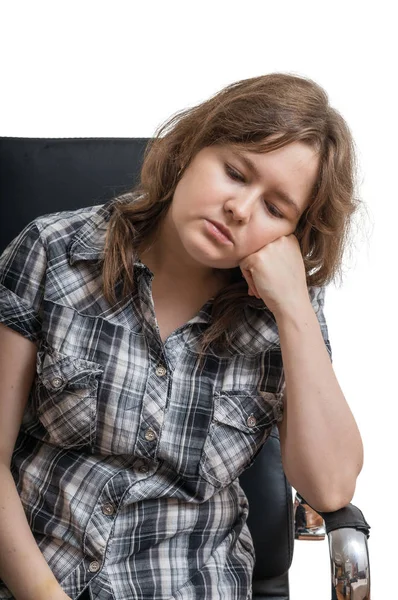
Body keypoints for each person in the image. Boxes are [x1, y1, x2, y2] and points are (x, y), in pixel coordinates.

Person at [0, 73, 364, 600]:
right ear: (190, 149)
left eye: (275, 208)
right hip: (41, 579)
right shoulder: (53, 253)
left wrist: (295, 311)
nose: (240, 208)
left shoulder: (284, 317)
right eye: (236, 173)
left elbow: (330, 487)